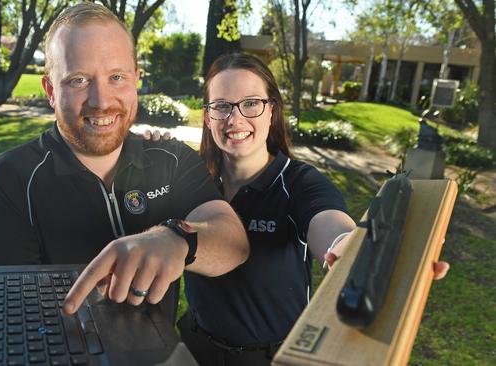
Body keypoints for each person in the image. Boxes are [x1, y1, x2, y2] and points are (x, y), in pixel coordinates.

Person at [0, 3, 249, 321]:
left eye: (117, 77)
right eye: (78, 81)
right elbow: (0, 317)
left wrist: (177, 237)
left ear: (136, 80)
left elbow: (233, 242)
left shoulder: (171, 159)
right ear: (50, 90)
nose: (101, 101)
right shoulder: (9, 182)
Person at [169, 53, 450, 366]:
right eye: (221, 106)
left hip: (273, 357)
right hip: (195, 350)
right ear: (207, 117)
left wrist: (349, 248)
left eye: (251, 103)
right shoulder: (192, 180)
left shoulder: (299, 183)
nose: (235, 119)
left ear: (271, 111)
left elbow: (331, 226)